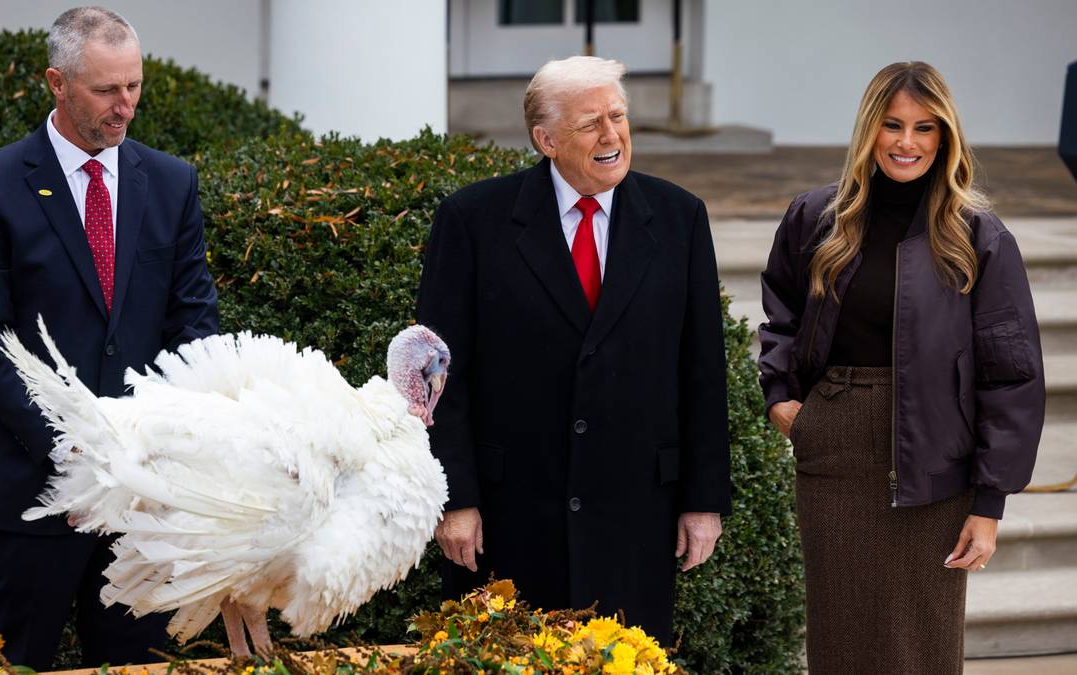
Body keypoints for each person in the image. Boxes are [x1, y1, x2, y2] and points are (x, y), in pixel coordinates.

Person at [415, 56, 731, 645]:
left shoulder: (680, 217)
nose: (612, 135)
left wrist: (704, 501)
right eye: (591, 123)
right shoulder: (472, 220)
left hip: (637, 513)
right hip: (511, 519)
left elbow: (703, 371)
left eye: (618, 116)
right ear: (546, 139)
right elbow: (438, 378)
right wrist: (454, 499)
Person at [0, 6, 218, 669]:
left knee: (142, 665)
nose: (125, 107)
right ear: (57, 84)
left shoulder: (172, 183)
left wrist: (158, 448)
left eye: (135, 86)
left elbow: (194, 325)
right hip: (29, 493)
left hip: (141, 498)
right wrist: (73, 454)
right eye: (106, 90)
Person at [758, 61, 1044, 674]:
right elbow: (780, 315)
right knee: (840, 644)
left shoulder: (977, 237)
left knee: (922, 646)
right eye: (892, 125)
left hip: (935, 467)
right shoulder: (816, 219)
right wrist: (783, 396)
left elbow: (1010, 377)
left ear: (946, 138)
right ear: (869, 130)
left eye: (925, 128)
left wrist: (989, 505)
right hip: (834, 455)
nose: (906, 143)